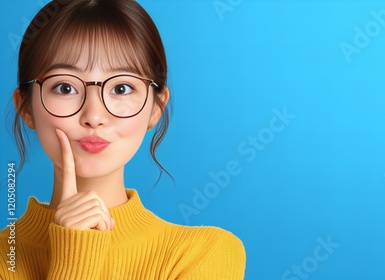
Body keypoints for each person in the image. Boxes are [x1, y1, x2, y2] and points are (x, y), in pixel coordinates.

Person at [0, 0, 246, 279]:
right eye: (65, 87)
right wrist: (74, 251)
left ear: (156, 107)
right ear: (26, 108)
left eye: (121, 87)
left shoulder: (204, 254)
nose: (94, 115)